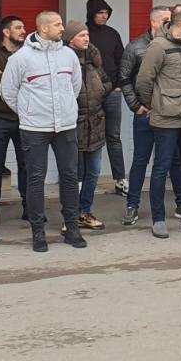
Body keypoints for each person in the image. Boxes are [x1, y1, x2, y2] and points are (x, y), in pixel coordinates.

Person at [0, 11, 86, 252]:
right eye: (57, 24)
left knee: (69, 176)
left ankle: (72, 227)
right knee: (36, 178)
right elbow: (7, 91)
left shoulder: (68, 55)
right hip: (35, 127)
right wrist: (28, 112)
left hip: (66, 126)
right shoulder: (21, 58)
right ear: (43, 29)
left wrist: (66, 108)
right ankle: (38, 232)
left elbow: (75, 86)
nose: (62, 28)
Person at [136, 6, 181, 236]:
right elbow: (143, 81)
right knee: (161, 168)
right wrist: (154, 104)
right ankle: (158, 219)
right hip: (166, 117)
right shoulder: (158, 46)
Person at [121, 6, 176, 225]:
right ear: (153, 22)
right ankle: (132, 205)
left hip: (169, 114)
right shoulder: (135, 47)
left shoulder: (175, 45)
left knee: (165, 163)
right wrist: (135, 105)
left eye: (170, 20)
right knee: (140, 161)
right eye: (165, 20)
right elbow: (124, 79)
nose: (169, 23)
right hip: (144, 114)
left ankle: (166, 210)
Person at [0, 16, 31, 228]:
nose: (23, 31)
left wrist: (9, 78)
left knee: (27, 165)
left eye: (23, 27)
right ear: (5, 31)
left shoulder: (28, 55)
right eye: (18, 28)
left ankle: (30, 207)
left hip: (24, 118)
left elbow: (32, 82)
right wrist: (15, 80)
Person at [67, 20, 112, 231]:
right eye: (81, 35)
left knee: (93, 173)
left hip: (95, 124)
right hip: (74, 125)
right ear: (70, 39)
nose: (86, 38)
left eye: (87, 35)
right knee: (74, 175)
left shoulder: (93, 61)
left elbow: (107, 81)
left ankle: (85, 211)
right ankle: (70, 215)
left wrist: (101, 91)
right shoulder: (65, 61)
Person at [85, 0, 128, 190]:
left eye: (106, 12)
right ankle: (84, 181)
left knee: (113, 136)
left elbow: (122, 61)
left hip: (112, 92)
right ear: (92, 13)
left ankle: (120, 179)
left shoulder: (113, 34)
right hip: (89, 94)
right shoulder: (83, 34)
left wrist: (119, 85)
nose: (104, 16)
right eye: (100, 12)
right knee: (87, 137)